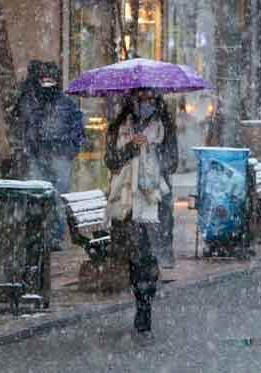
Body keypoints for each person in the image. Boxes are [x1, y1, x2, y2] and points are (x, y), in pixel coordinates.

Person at [105, 89, 178, 335]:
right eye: (140, 99)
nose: (145, 104)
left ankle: (146, 301)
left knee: (149, 256)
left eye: (149, 99)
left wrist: (152, 150)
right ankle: (141, 301)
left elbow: (173, 162)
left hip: (154, 200)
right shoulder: (119, 126)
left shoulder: (163, 126)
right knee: (136, 257)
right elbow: (111, 161)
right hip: (127, 202)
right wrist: (131, 148)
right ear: (132, 101)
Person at [16, 60, 85, 251]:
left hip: (59, 156)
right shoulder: (35, 101)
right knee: (38, 196)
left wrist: (68, 150)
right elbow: (27, 124)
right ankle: (40, 234)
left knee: (57, 197)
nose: (47, 85)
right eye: (44, 80)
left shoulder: (66, 104)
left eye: (50, 80)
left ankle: (55, 235)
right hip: (40, 155)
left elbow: (78, 130)